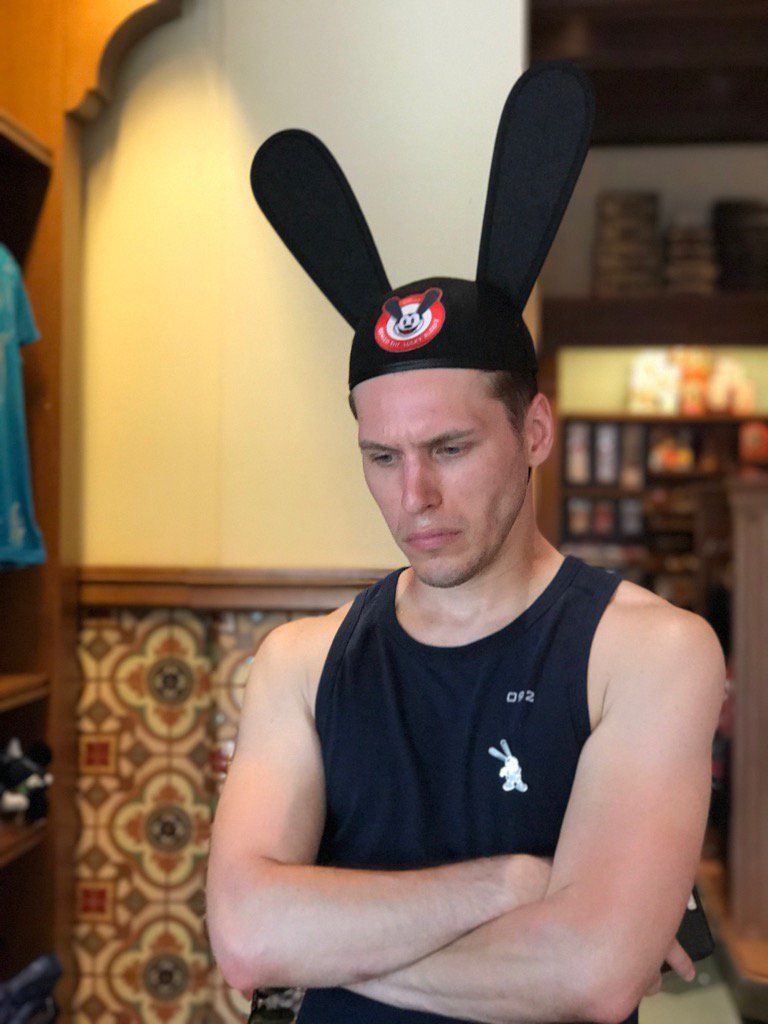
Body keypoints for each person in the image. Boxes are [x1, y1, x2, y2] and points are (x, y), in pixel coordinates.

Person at [206, 63, 725, 1024]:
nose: (415, 496)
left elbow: (593, 973)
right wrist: (517, 885)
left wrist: (316, 946)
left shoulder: (650, 652)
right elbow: (243, 936)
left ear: (535, 433)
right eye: (382, 457)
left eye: (450, 448)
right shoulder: (300, 664)